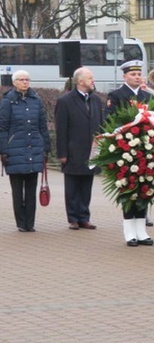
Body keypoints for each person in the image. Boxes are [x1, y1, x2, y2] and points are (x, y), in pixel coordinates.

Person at [105, 60, 154, 246]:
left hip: (144, 148)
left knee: (144, 187)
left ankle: (141, 230)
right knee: (128, 188)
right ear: (124, 76)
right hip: (124, 149)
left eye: (139, 74)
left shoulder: (146, 96)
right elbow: (110, 120)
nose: (136, 77)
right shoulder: (116, 95)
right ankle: (129, 231)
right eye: (132, 74)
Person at [0, 70, 51, 232]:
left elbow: (42, 126)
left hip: (34, 149)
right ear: (14, 82)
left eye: (27, 80)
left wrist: (46, 148)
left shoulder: (36, 100)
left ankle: (30, 222)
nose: (25, 82)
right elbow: (2, 127)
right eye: (21, 80)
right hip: (14, 150)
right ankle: (21, 222)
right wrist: (3, 150)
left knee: (31, 188)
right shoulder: (7, 102)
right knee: (17, 189)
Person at [54, 67, 102, 231]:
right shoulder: (65, 101)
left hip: (91, 151)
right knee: (72, 187)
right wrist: (62, 153)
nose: (93, 81)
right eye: (90, 78)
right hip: (73, 150)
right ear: (80, 81)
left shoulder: (95, 100)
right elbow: (61, 129)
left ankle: (84, 217)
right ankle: (73, 218)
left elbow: (100, 125)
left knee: (86, 186)